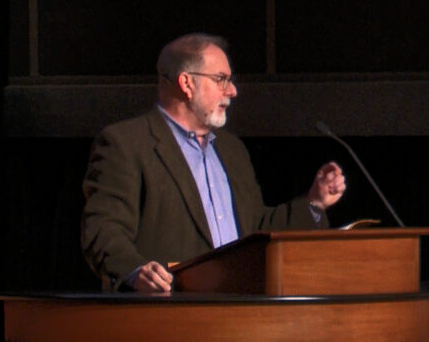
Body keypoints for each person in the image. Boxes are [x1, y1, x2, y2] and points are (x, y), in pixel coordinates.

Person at [81, 33, 346, 292]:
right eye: (221, 79)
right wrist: (137, 271)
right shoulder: (126, 144)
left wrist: (314, 203)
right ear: (187, 83)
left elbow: (256, 229)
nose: (232, 90)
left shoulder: (232, 150)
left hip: (238, 311)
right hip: (167, 316)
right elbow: (103, 230)